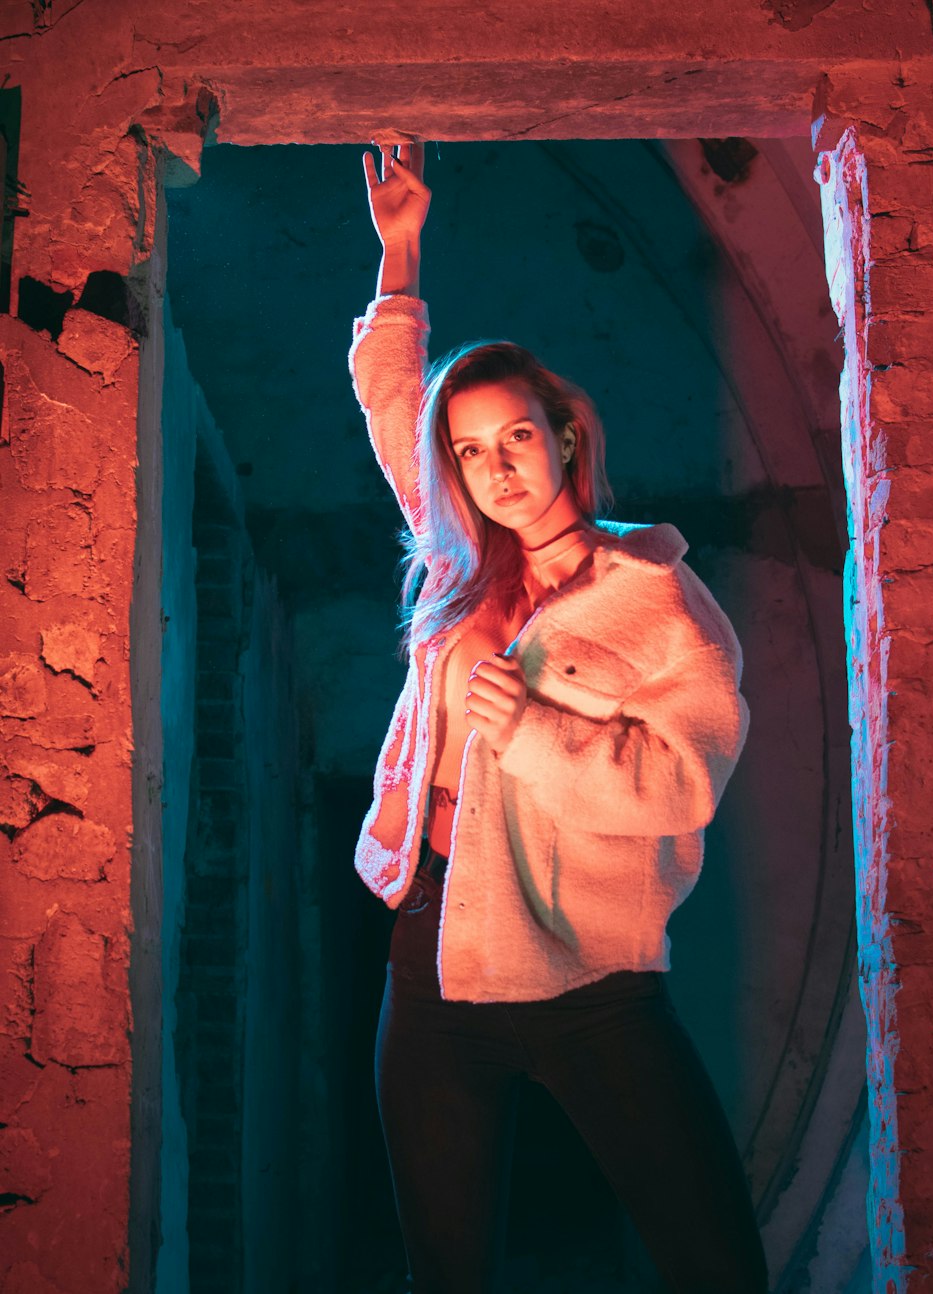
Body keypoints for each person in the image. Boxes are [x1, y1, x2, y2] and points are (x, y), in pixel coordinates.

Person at [349, 140, 769, 1294]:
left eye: (516, 438)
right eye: (470, 453)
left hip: (586, 974)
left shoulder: (652, 598)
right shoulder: (453, 560)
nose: (495, 470)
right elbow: (397, 408)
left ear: (565, 435)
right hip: (428, 951)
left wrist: (532, 726)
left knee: (713, 1261)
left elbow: (682, 783)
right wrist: (400, 255)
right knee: (446, 1273)